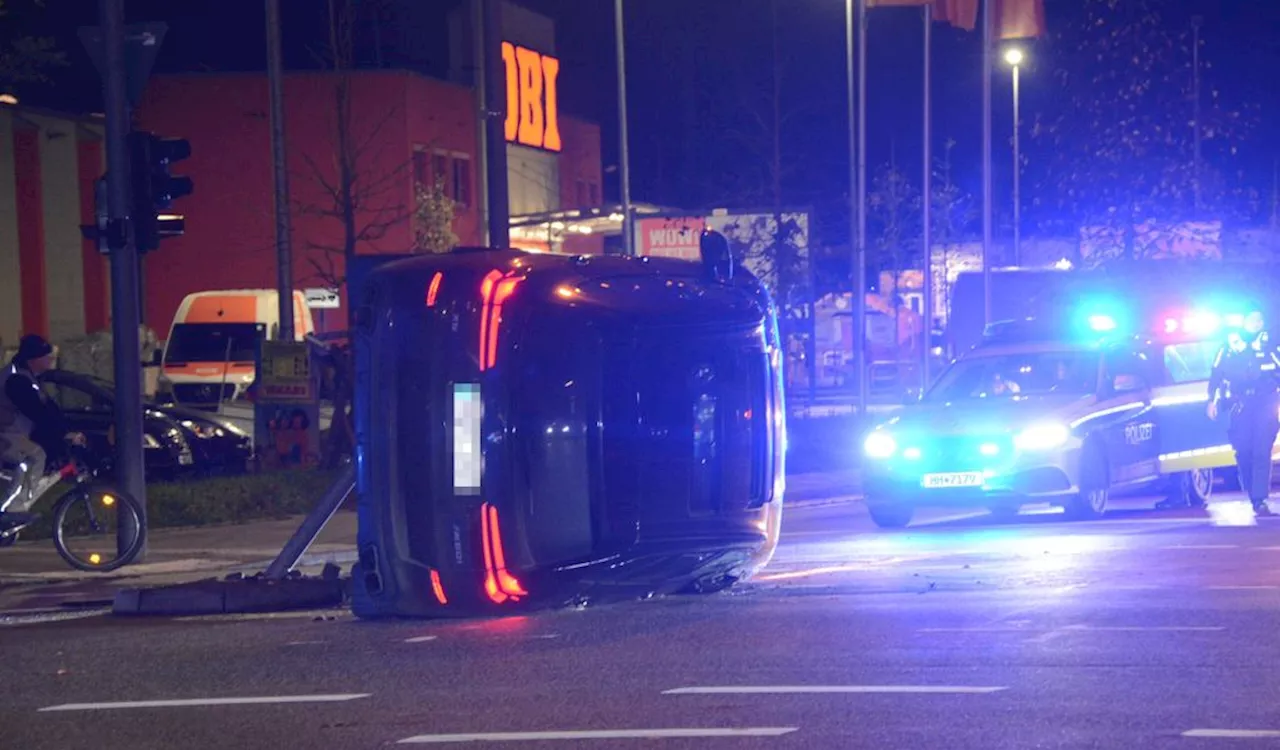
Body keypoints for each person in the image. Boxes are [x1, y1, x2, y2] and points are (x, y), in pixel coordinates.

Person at [0, 335, 83, 528]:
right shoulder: (16, 380)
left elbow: (49, 409)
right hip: (5, 434)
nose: (51, 361)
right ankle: (13, 510)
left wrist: (66, 429)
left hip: (12, 433)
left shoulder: (27, 376)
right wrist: (63, 434)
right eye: (47, 357)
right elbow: (36, 410)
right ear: (34, 359)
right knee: (34, 457)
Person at [1207, 311, 1280, 515]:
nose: (1258, 323)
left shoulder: (1270, 344)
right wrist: (1212, 401)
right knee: (1244, 451)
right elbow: (1216, 375)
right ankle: (1252, 491)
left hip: (1265, 402)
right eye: (1253, 319)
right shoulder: (1230, 346)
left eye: (1260, 319)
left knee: (1260, 450)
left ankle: (1259, 499)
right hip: (1240, 404)